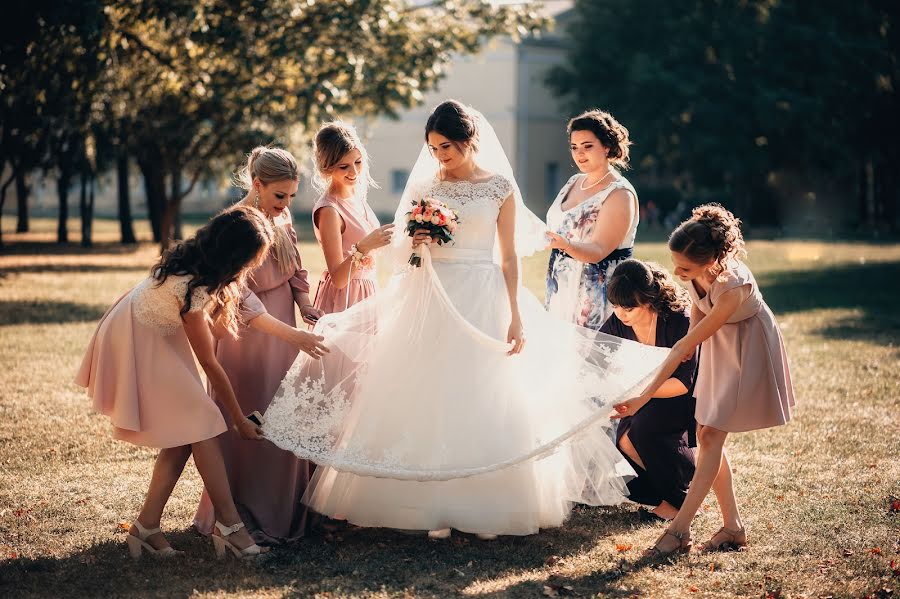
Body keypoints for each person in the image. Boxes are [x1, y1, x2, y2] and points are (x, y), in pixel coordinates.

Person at [261, 100, 669, 539]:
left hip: (485, 294)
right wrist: (416, 241)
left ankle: (484, 504)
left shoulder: (499, 188)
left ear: (469, 141)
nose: (440, 157)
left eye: (447, 148)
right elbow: (400, 251)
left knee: (483, 394)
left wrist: (515, 316)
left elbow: (509, 257)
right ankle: (419, 504)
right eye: (434, 148)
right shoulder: (426, 184)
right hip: (432, 295)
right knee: (427, 391)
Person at [75, 206, 273, 559]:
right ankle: (230, 526)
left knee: (187, 432)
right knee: (205, 423)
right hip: (137, 337)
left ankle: (146, 527)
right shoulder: (191, 287)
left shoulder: (196, 265)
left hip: (151, 332)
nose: (250, 269)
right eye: (250, 261)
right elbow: (209, 363)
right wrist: (239, 419)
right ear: (233, 256)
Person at [613, 204, 795, 556]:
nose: (677, 273)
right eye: (675, 263)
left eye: (685, 267)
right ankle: (733, 527)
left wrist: (642, 398)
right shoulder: (698, 275)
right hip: (716, 345)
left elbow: (687, 341)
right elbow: (689, 337)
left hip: (746, 347)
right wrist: (643, 395)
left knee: (710, 436)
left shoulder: (730, 289)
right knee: (707, 435)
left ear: (712, 261)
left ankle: (679, 530)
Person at [193, 147, 329, 545]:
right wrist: (292, 335)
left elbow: (296, 269)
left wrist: (304, 305)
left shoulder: (283, 218)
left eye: (291, 196)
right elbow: (240, 298)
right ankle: (238, 515)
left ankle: (284, 512)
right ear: (257, 185)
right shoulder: (235, 225)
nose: (286, 205)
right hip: (246, 338)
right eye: (279, 196)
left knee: (285, 417)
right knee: (251, 422)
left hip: (284, 327)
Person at [601, 259, 697, 521]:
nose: (621, 314)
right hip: (641, 396)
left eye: (628, 307)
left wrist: (640, 394)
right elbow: (596, 357)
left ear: (648, 298)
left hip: (681, 396)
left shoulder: (679, 321)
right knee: (624, 439)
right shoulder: (619, 321)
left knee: (643, 430)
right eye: (615, 306)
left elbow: (684, 383)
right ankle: (669, 490)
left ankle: (678, 501)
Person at [545, 109, 639, 330]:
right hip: (561, 287)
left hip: (597, 294)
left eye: (588, 146)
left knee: (590, 360)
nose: (580, 154)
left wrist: (564, 245)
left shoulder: (619, 193)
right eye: (574, 147)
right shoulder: (574, 182)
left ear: (606, 146)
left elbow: (599, 250)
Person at [311, 121, 394, 314]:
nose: (354, 172)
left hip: (368, 291)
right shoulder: (329, 210)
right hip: (346, 299)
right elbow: (339, 279)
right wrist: (364, 246)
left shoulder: (356, 197)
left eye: (357, 162)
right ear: (327, 168)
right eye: (344, 166)